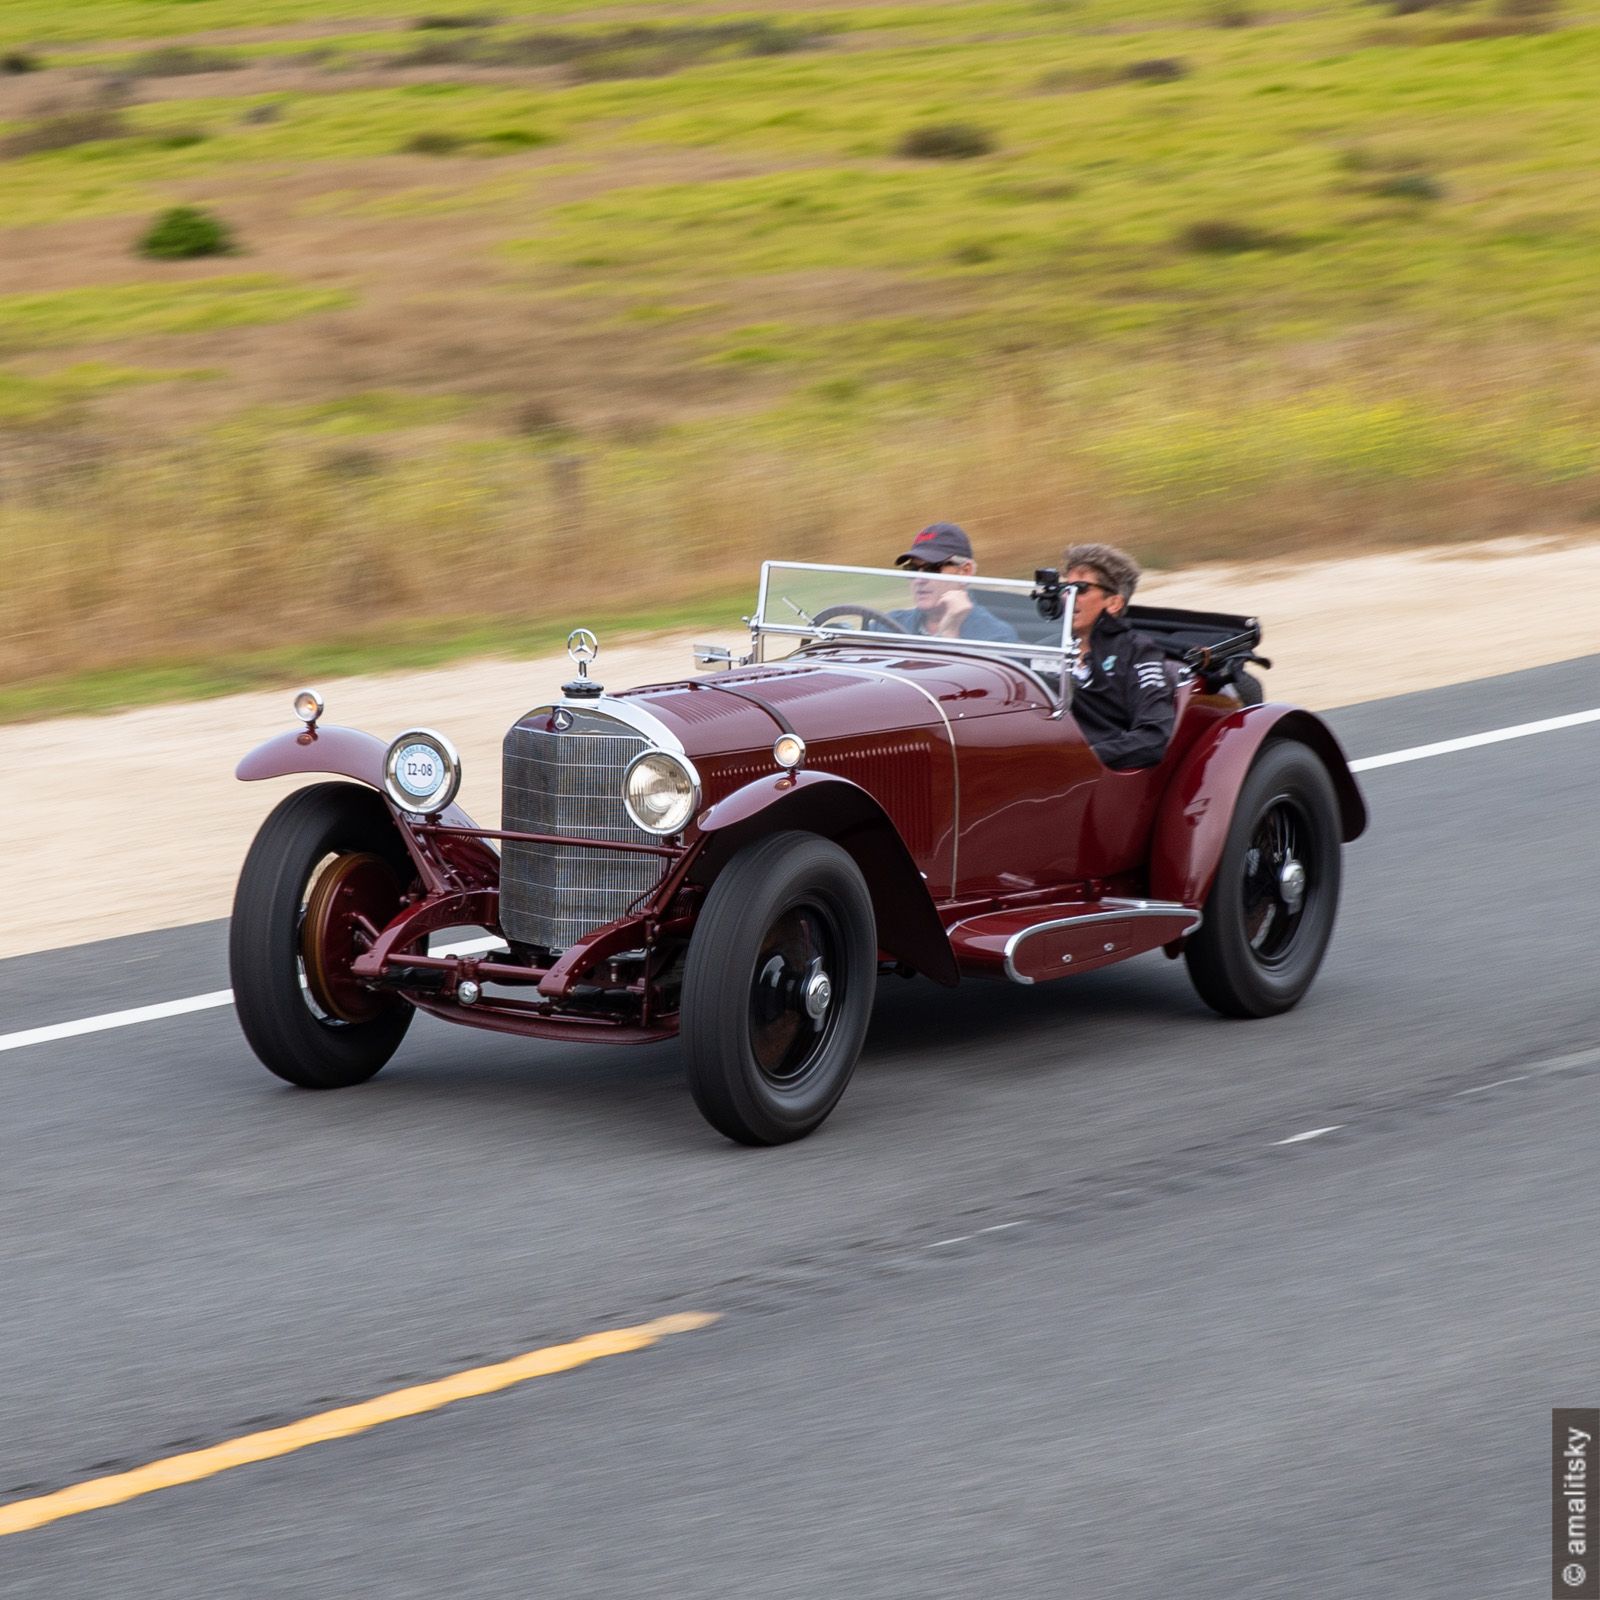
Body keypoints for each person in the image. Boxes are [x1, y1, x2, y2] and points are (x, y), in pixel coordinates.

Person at [1061, 542, 1176, 770]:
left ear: (1114, 603)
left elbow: (1152, 737)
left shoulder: (1138, 651)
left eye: (1081, 589)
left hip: (1099, 776)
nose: (1068, 598)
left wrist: (1083, 759)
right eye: (1066, 588)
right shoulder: (1042, 647)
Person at [885, 523, 1018, 642]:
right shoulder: (887, 625)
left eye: (933, 568)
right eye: (912, 569)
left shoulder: (995, 637)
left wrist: (949, 633)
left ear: (965, 571)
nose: (919, 579)